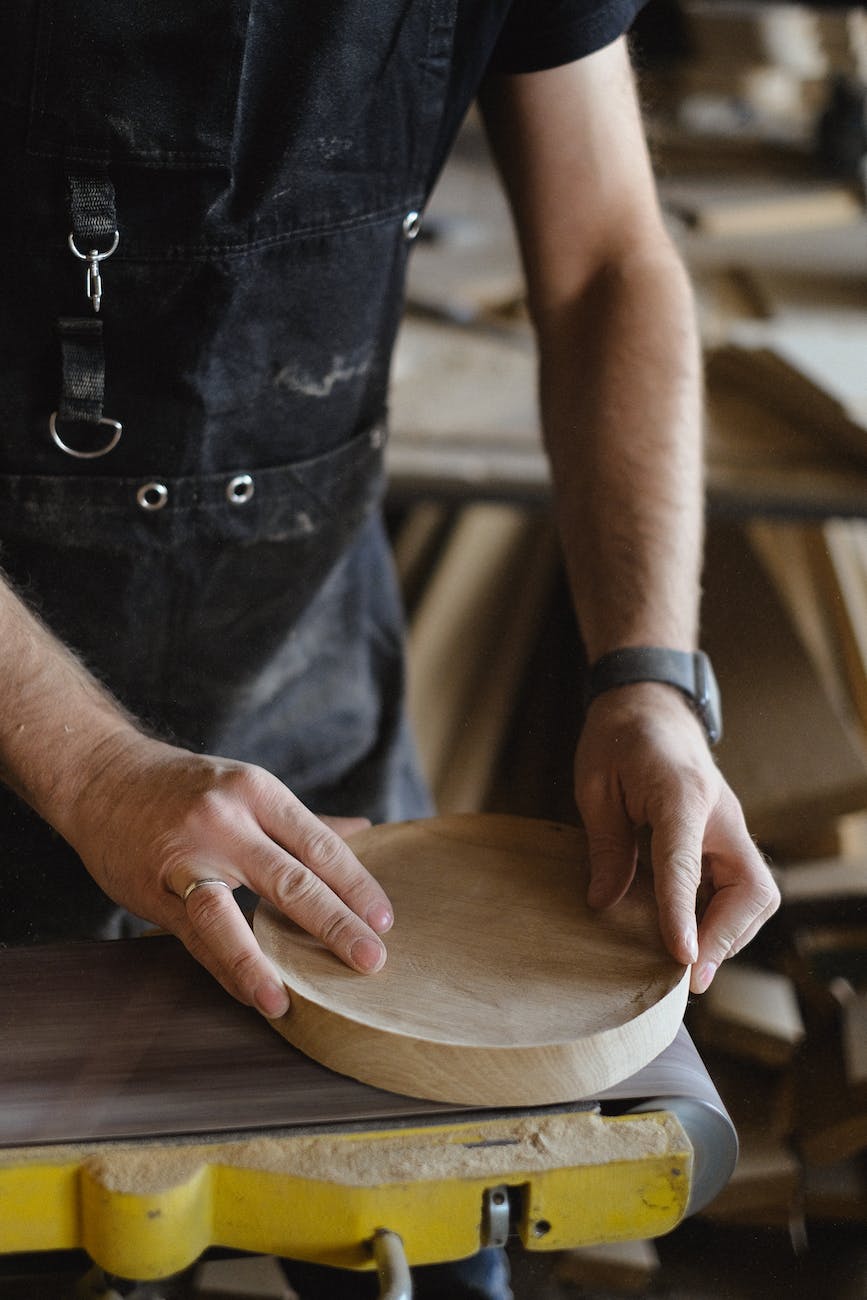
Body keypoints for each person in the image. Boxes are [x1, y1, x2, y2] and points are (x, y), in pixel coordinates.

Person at [0, 3, 779, 1296]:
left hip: (314, 726)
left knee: (429, 1236)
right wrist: (87, 773)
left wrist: (649, 681)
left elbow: (603, 265)